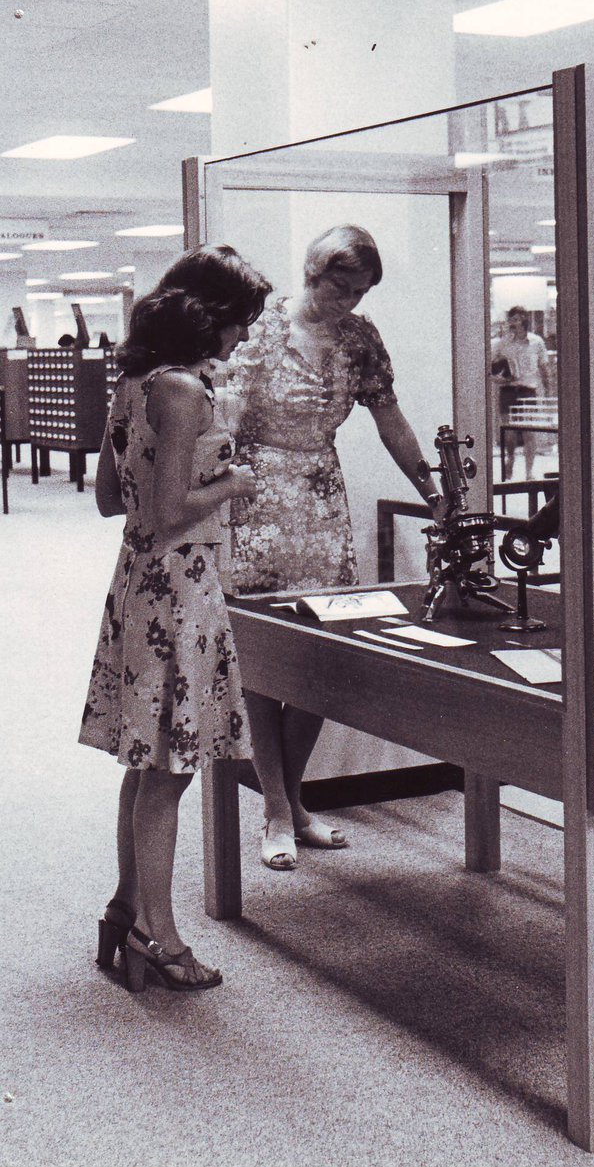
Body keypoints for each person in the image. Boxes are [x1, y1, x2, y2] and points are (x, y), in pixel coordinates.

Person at [220, 223, 444, 872]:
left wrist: (432, 490)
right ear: (312, 274)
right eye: (339, 289)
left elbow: (390, 418)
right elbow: (218, 418)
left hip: (321, 504)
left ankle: (292, 800)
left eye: (359, 293)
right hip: (255, 504)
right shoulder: (257, 328)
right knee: (265, 664)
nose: (348, 303)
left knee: (322, 660)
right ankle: (275, 807)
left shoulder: (360, 339)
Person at [80, 244, 270, 991]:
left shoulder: (135, 383)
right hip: (181, 589)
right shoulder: (186, 390)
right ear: (208, 315)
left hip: (137, 582)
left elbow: (109, 499)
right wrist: (232, 482)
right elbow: (169, 512)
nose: (243, 335)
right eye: (240, 320)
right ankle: (159, 935)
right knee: (168, 775)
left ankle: (125, 908)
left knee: (148, 762)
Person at [491, 305, 552, 480]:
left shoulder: (536, 342)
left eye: (516, 320)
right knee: (509, 433)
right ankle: (510, 459)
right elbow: (491, 368)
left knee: (529, 432)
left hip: (527, 391)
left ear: (524, 320)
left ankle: (529, 472)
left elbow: (544, 367)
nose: (513, 324)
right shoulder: (502, 343)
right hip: (508, 391)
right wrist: (499, 378)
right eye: (511, 320)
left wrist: (547, 389)